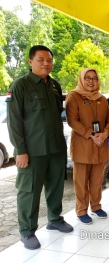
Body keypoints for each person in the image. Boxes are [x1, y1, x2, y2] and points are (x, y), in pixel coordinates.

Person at [6, 45, 73, 250]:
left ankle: (54, 219)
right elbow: (14, 121)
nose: (46, 63)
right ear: (30, 61)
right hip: (33, 151)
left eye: (49, 60)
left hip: (56, 148)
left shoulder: (54, 85)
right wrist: (20, 151)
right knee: (29, 191)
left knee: (56, 186)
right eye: (41, 59)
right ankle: (27, 232)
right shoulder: (20, 85)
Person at [66, 68, 109, 224]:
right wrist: (92, 135)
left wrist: (105, 133)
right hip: (83, 145)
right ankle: (81, 210)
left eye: (94, 78)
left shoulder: (102, 99)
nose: (91, 81)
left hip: (100, 146)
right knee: (80, 181)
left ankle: (96, 206)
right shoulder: (74, 96)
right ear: (81, 79)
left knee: (96, 180)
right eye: (87, 78)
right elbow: (73, 121)